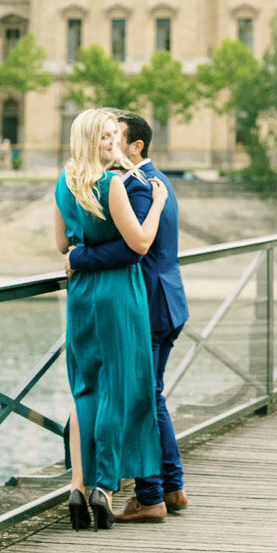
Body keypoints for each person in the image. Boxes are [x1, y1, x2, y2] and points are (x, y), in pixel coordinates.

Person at [66, 111, 189, 522]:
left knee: (138, 396)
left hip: (144, 304)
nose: (111, 144)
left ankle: (149, 494)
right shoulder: (156, 179)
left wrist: (79, 256)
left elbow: (132, 247)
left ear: (134, 144)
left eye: (116, 136)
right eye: (105, 136)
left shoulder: (135, 185)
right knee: (148, 394)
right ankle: (169, 487)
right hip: (165, 299)